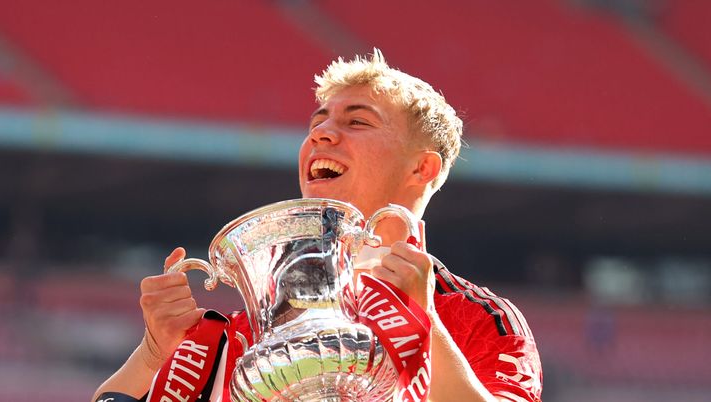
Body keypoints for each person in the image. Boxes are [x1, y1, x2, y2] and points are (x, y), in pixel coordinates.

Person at [93, 49, 542, 402]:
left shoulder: (478, 319)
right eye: (318, 121)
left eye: (357, 121)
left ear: (422, 169)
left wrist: (426, 325)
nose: (321, 134)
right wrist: (154, 352)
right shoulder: (250, 329)